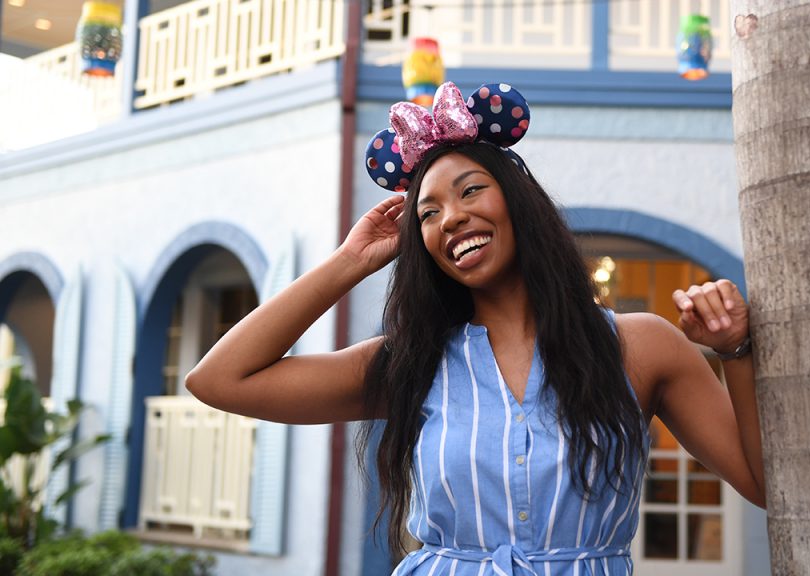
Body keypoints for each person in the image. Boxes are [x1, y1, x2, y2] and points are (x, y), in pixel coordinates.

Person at [186, 82, 765, 575]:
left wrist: (734, 351)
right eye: (428, 213)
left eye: (470, 191)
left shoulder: (640, 346)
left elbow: (764, 486)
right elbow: (220, 380)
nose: (452, 217)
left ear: (520, 204)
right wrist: (351, 260)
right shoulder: (410, 362)